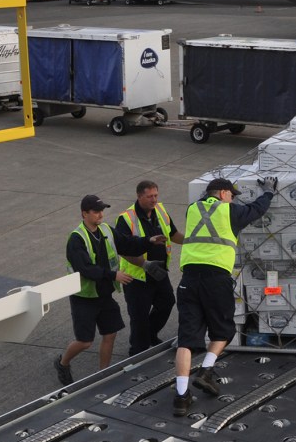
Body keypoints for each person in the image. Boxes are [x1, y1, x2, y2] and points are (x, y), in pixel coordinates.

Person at [173, 176, 276, 417]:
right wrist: (268, 191)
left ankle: (181, 397)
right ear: (221, 193)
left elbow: (206, 208)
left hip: (188, 279)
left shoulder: (192, 209)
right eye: (231, 194)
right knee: (224, 330)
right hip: (216, 278)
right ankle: (206, 371)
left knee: (186, 339)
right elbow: (256, 210)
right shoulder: (230, 212)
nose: (232, 198)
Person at [54, 195, 167, 387]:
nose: (101, 214)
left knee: (110, 333)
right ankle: (62, 363)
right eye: (96, 211)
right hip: (85, 297)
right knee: (84, 342)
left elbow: (127, 243)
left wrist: (149, 241)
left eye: (102, 210)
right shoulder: (77, 239)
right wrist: (114, 276)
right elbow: (86, 268)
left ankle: (103, 374)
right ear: (84, 213)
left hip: (104, 294)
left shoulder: (105, 230)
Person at [114, 180, 185, 357]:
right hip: (137, 277)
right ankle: (137, 354)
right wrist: (145, 264)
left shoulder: (160, 210)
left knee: (167, 303)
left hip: (159, 272)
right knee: (139, 318)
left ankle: (150, 335)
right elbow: (122, 249)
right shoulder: (126, 218)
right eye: (149, 196)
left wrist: (194, 241)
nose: (154, 200)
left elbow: (173, 234)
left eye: (156, 195)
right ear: (139, 197)